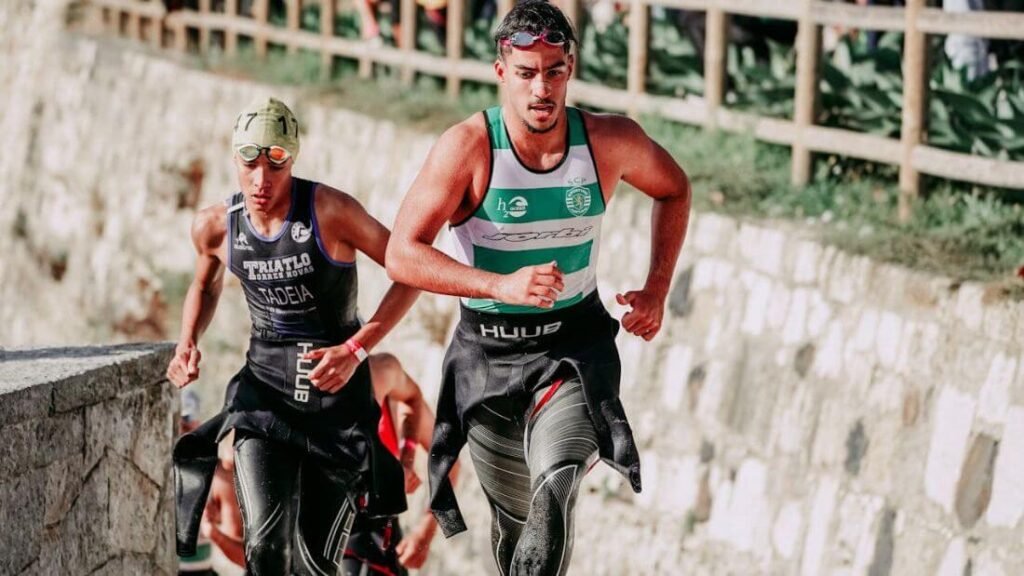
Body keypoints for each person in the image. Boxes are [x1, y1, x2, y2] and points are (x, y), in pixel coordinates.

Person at [385, 1, 692, 573]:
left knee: (554, 490)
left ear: (570, 68)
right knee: (518, 527)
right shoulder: (469, 147)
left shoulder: (608, 141)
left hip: (573, 352)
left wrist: (657, 288)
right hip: (488, 359)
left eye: (554, 71)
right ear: (502, 71)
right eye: (526, 73)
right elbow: (401, 254)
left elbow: (674, 189)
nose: (541, 89)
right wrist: (500, 285)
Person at [168, 96, 418, 575]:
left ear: (293, 158)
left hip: (336, 401)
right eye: (250, 162)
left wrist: (356, 347)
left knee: (316, 564)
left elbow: (410, 272)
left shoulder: (330, 210)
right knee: (265, 551)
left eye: (276, 162)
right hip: (266, 395)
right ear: (235, 158)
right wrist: (188, 340)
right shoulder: (215, 226)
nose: (262, 179)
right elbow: (204, 284)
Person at [341, 353, 461, 575]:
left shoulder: (382, 373)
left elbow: (449, 462)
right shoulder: (290, 381)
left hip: (372, 534)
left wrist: (426, 531)